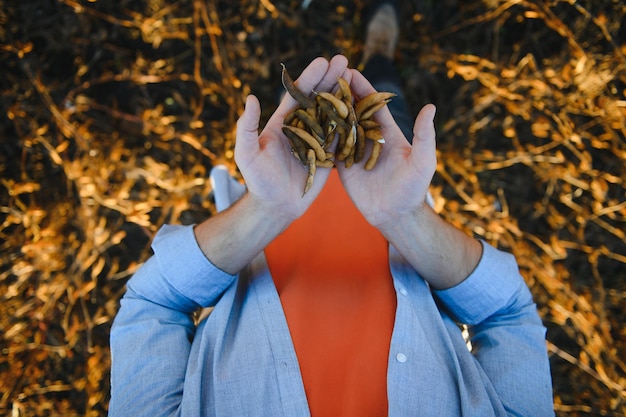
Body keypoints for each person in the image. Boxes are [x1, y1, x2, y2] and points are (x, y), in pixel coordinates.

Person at [109, 2, 554, 416]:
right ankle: (380, 54)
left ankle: (350, 61)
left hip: (285, 197)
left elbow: (154, 304)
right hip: (382, 185)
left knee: (307, 119)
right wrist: (405, 218)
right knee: (382, 106)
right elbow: (505, 312)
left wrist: (264, 210)